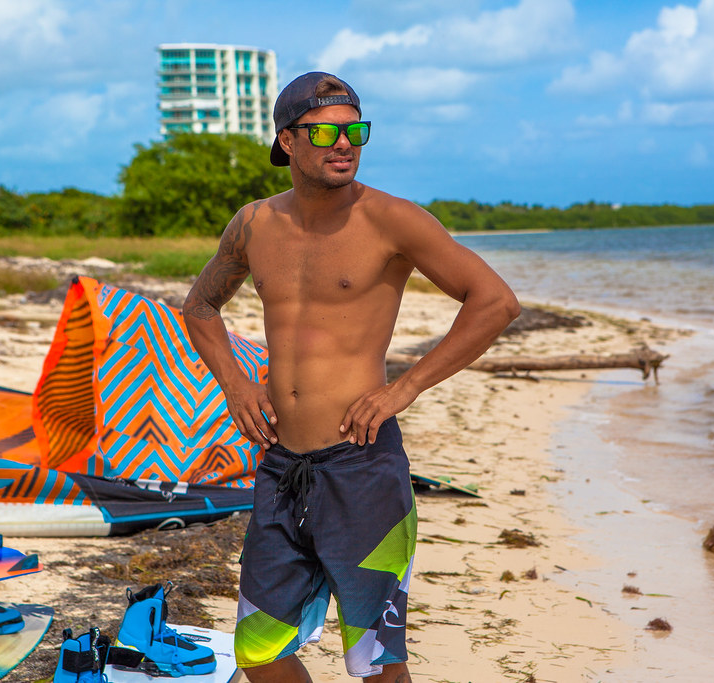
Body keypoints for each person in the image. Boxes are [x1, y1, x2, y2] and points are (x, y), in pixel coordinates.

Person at [183, 72, 520, 682]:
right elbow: (200, 308)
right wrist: (235, 382)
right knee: (259, 652)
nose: (346, 143)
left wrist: (404, 387)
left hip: (362, 469)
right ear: (288, 141)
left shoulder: (392, 220)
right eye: (328, 131)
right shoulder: (254, 224)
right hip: (281, 468)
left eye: (356, 130)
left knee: (377, 664)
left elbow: (494, 302)